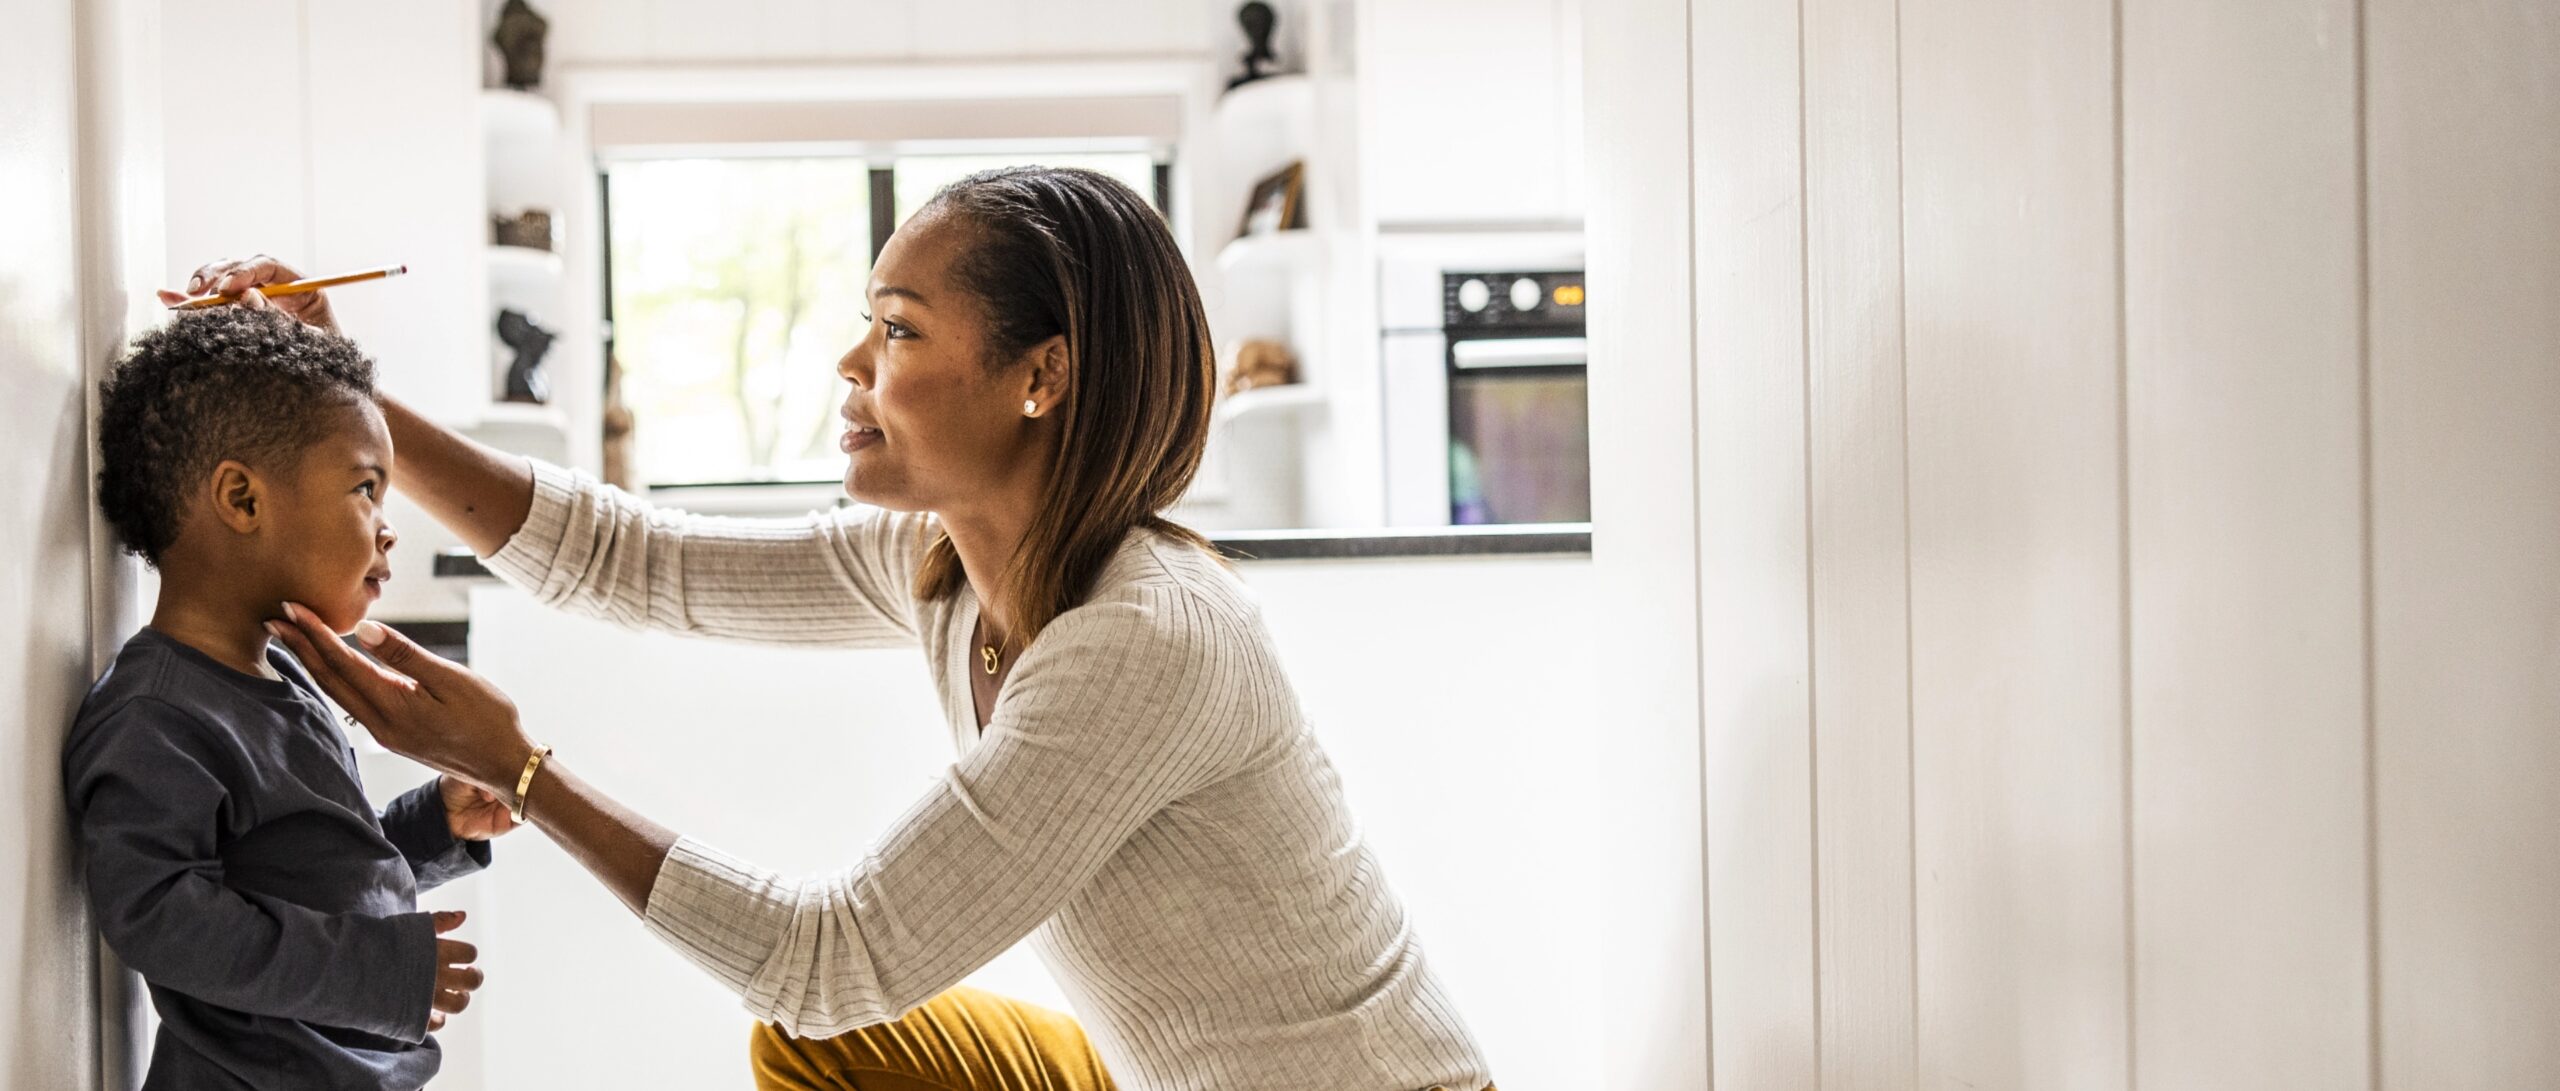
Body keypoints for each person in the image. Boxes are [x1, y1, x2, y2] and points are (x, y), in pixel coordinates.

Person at [216, 166, 1492, 1090]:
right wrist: (342, 392)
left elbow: (830, 956)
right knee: (825, 1047)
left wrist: (522, 772)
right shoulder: (945, 563)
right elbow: (627, 559)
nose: (851, 362)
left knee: (824, 1002)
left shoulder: (1146, 637)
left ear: (1040, 376)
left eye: (897, 328)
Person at [63, 307, 508, 1090]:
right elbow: (161, 918)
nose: (388, 530)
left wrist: (435, 824)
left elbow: (316, 875)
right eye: (366, 488)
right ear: (242, 499)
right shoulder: (154, 715)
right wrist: (375, 971)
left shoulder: (285, 674)